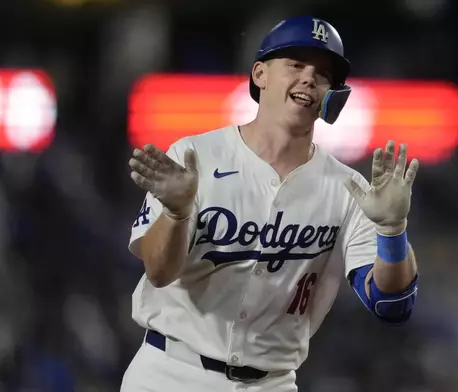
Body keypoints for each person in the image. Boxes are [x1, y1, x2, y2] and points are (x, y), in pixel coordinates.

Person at [120, 16, 420, 392]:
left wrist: (393, 231)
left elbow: (391, 305)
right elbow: (160, 272)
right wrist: (177, 213)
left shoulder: (349, 188)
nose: (310, 78)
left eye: (324, 73)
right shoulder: (196, 155)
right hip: (169, 372)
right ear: (260, 74)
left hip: (270, 383)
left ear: (333, 94)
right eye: (295, 64)